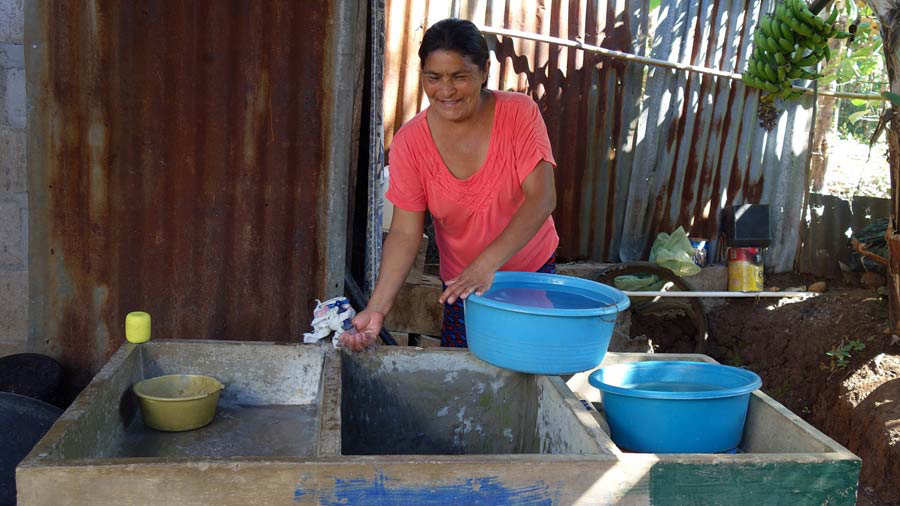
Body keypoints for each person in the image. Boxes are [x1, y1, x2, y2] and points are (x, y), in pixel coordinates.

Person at [343, 18, 559, 351]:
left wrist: (486, 265)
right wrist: (376, 309)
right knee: (467, 376)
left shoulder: (519, 114)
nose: (445, 91)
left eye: (459, 77)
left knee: (529, 369)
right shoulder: (410, 142)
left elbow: (542, 198)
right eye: (434, 77)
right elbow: (404, 233)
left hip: (529, 271)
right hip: (462, 285)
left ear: (484, 71)